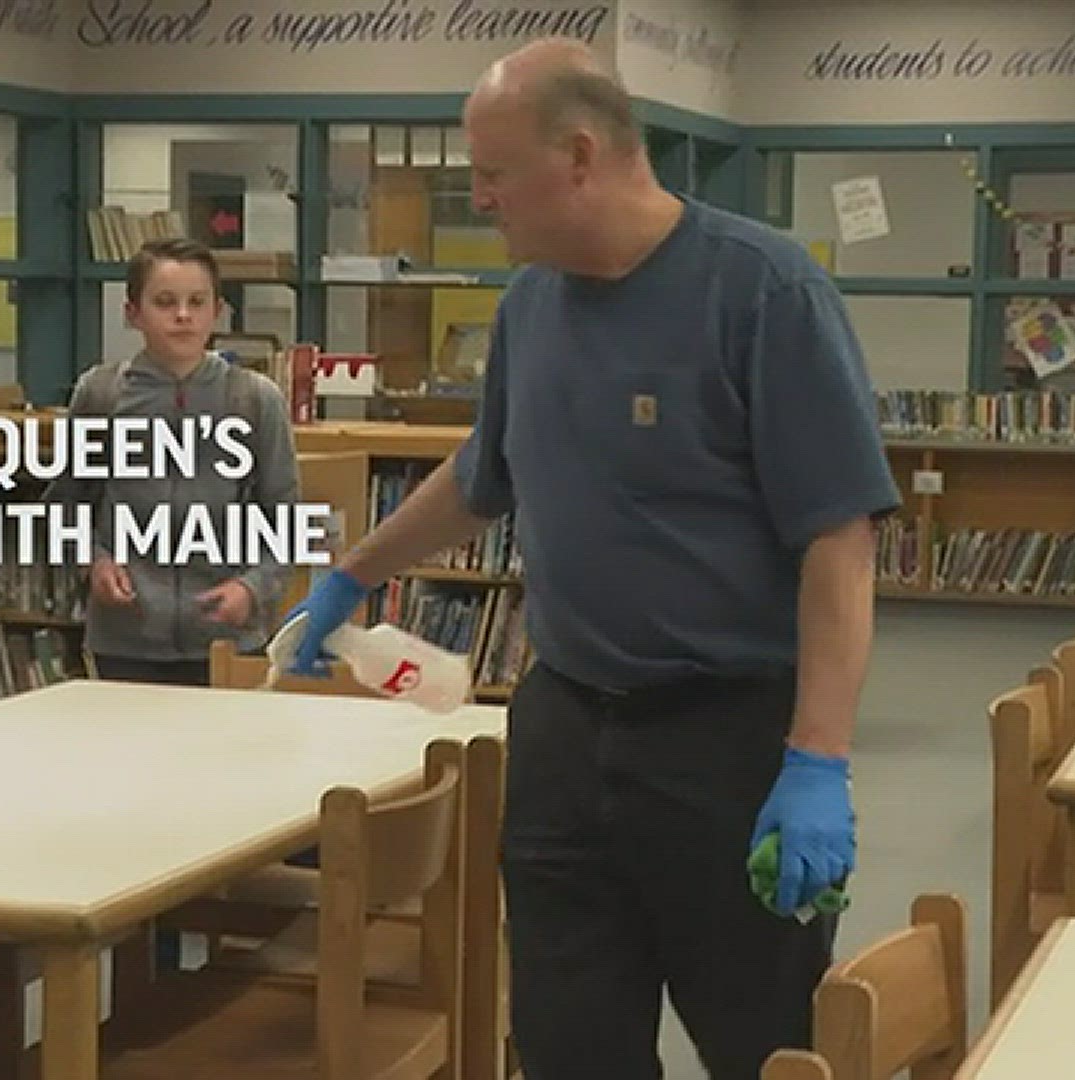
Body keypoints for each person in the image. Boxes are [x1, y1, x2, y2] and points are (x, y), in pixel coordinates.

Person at [276, 39, 900, 1080]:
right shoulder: (531, 306)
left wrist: (818, 761)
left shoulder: (762, 292)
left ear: (578, 156)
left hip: (728, 740)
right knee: (569, 1040)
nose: (479, 198)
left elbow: (840, 541)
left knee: (761, 1039)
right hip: (565, 727)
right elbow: (485, 477)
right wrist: (355, 570)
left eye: (493, 172)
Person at [65, 236, 300, 688]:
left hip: (228, 638)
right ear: (133, 312)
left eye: (197, 302)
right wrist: (93, 561)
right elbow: (67, 506)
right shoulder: (101, 395)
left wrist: (253, 588)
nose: (183, 316)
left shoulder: (253, 399)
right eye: (165, 302)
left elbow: (287, 520)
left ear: (218, 310)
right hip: (125, 638)